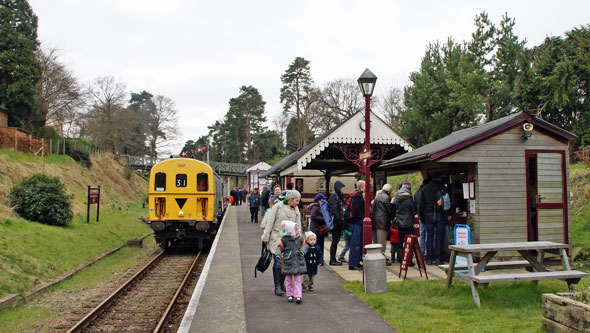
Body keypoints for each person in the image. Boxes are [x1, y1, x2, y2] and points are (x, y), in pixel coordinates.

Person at [261, 190, 302, 296]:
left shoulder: (296, 210)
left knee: (285, 263)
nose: (298, 202)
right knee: (278, 262)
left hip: (290, 241)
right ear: (290, 199)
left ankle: (282, 283)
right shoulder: (277, 207)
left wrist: (300, 240)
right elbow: (270, 223)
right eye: (297, 200)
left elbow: (298, 226)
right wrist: (265, 237)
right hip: (276, 239)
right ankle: (277, 286)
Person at [421, 175, 451, 265]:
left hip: (428, 214)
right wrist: (449, 213)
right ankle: (438, 258)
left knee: (429, 236)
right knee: (439, 236)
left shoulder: (425, 188)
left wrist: (422, 216)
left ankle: (429, 258)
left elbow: (421, 204)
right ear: (440, 178)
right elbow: (447, 201)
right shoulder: (442, 187)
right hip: (440, 214)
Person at [276, 221, 308, 304]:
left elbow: (305, 246)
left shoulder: (300, 239)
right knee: (288, 280)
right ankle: (290, 294)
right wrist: (278, 254)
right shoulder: (285, 240)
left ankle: (298, 295)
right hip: (288, 262)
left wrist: (302, 251)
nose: (297, 231)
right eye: (295, 230)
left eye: (297, 230)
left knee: (298, 280)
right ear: (290, 231)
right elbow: (279, 248)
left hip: (298, 262)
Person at [392, 180, 417, 266]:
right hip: (408, 221)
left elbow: (393, 207)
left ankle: (400, 258)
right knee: (410, 240)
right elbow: (413, 210)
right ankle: (408, 260)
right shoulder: (409, 197)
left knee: (400, 240)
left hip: (399, 221)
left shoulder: (396, 196)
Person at [372, 184, 395, 264]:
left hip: (375, 220)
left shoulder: (377, 197)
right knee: (382, 242)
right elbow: (389, 211)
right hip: (383, 221)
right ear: (389, 190)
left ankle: (375, 257)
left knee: (376, 240)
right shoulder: (387, 197)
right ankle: (381, 259)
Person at [327, 181, 345, 266]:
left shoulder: (339, 196)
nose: (343, 189)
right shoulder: (335, 197)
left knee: (336, 241)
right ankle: (332, 259)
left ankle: (333, 258)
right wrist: (340, 218)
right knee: (335, 241)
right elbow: (334, 209)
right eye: (342, 187)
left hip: (338, 223)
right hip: (336, 223)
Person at [348, 180, 365, 271]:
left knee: (357, 243)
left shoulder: (355, 194)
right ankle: (353, 263)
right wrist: (362, 217)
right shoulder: (358, 195)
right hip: (357, 222)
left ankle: (356, 262)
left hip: (356, 221)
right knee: (356, 243)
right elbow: (356, 208)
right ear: (363, 186)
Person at [414, 179, 428, 259]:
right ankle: (426, 251)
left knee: (422, 233)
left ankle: (422, 251)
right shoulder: (425, 192)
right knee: (427, 234)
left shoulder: (416, 193)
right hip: (426, 214)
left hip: (420, 215)